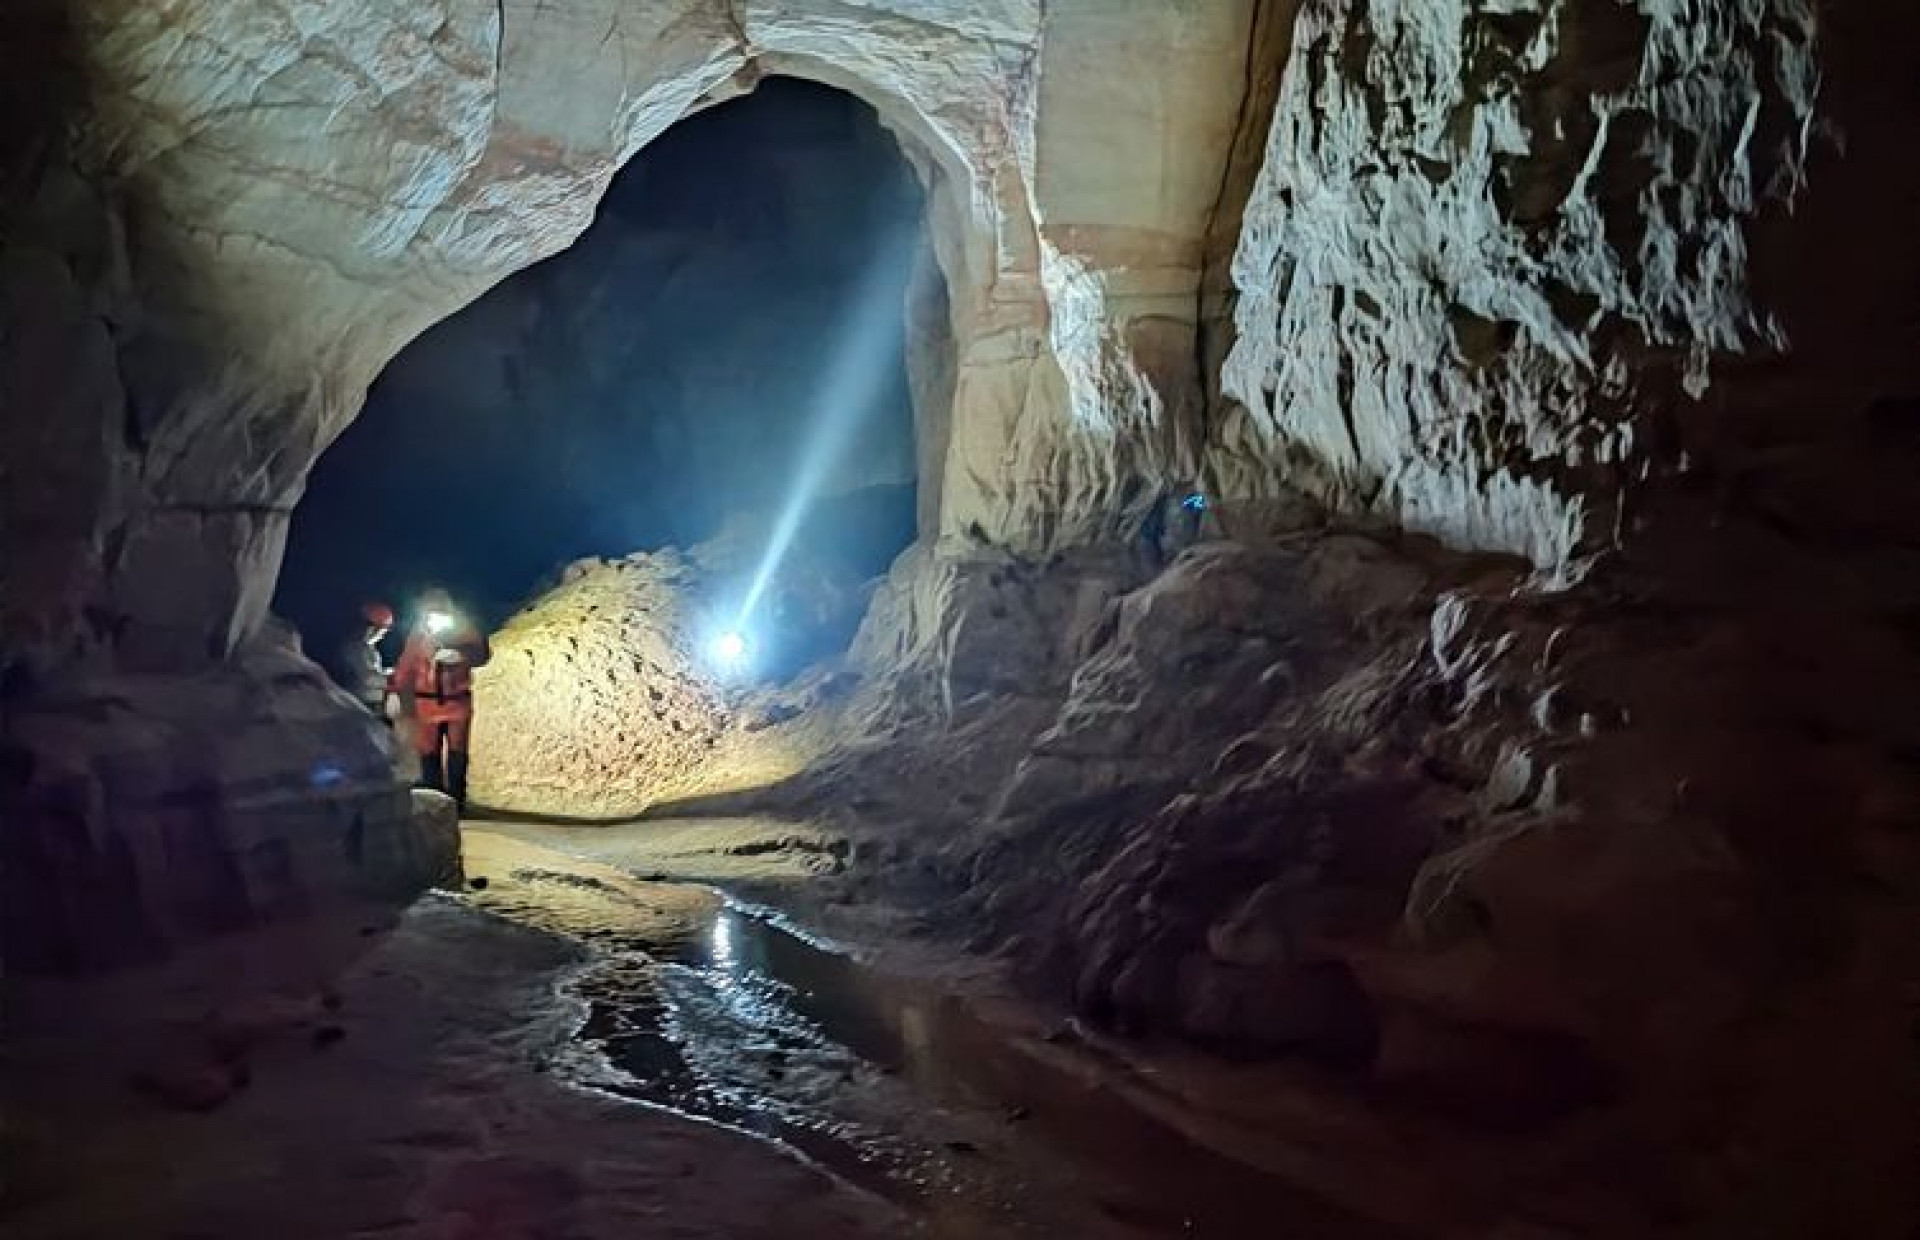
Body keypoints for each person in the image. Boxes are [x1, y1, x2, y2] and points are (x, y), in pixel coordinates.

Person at [389, 588, 490, 807]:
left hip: (457, 701)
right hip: (426, 702)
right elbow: (407, 665)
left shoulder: (464, 629)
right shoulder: (419, 634)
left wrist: (462, 654)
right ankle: (433, 799)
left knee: (457, 750)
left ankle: (456, 800)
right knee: (428, 751)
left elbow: (482, 654)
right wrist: (397, 693)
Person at [338, 601, 395, 719]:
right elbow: (368, 679)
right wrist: (394, 678)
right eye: (383, 630)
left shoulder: (369, 649)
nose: (383, 635)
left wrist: (391, 672)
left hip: (372, 705)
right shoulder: (356, 648)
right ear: (371, 628)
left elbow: (374, 672)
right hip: (362, 706)